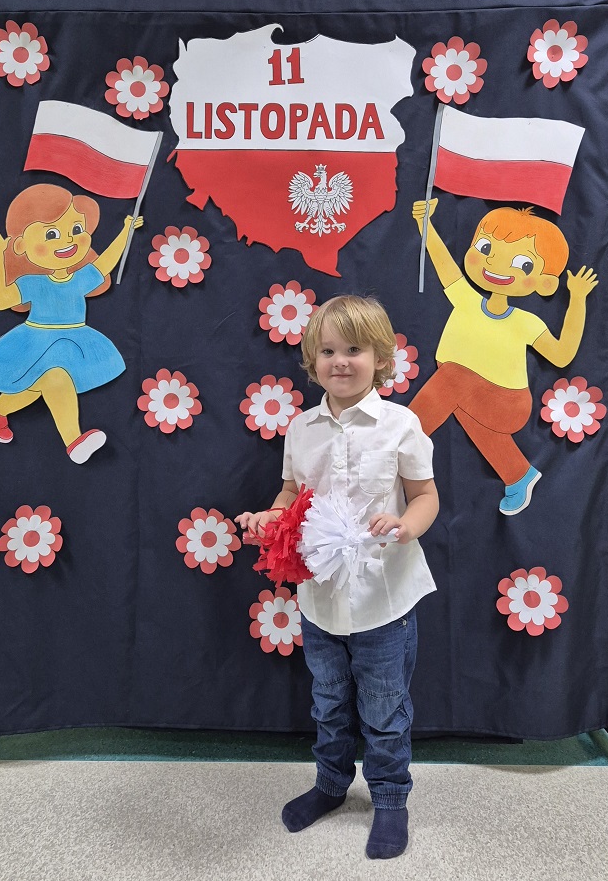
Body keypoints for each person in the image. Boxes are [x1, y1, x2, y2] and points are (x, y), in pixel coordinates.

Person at [236, 295, 439, 859]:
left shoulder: (400, 424)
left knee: (384, 706)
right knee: (327, 701)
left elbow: (425, 495)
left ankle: (390, 797)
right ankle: (330, 785)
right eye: (327, 351)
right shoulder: (301, 428)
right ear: (312, 360)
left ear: (381, 358)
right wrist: (270, 519)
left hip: (384, 598)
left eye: (354, 349)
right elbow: (290, 493)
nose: (340, 361)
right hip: (319, 598)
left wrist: (405, 526)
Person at [410, 198, 597, 514]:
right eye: (485, 248)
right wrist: (423, 223)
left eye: (523, 264)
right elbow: (444, 265)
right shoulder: (468, 299)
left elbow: (562, 355)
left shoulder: (525, 322)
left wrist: (577, 299)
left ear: (545, 283)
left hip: (506, 400)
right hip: (471, 394)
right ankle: (519, 475)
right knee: (473, 420)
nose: (496, 264)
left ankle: (398, 442)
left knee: (452, 377)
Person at [0, 184, 143, 463]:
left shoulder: (80, 279)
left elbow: (105, 264)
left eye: (76, 229)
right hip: (36, 340)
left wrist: (126, 231)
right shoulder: (32, 282)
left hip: (73, 340)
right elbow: (2, 300)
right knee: (54, 379)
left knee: (44, 383)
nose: (67, 241)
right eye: (51, 234)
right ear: (21, 246)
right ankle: (73, 441)